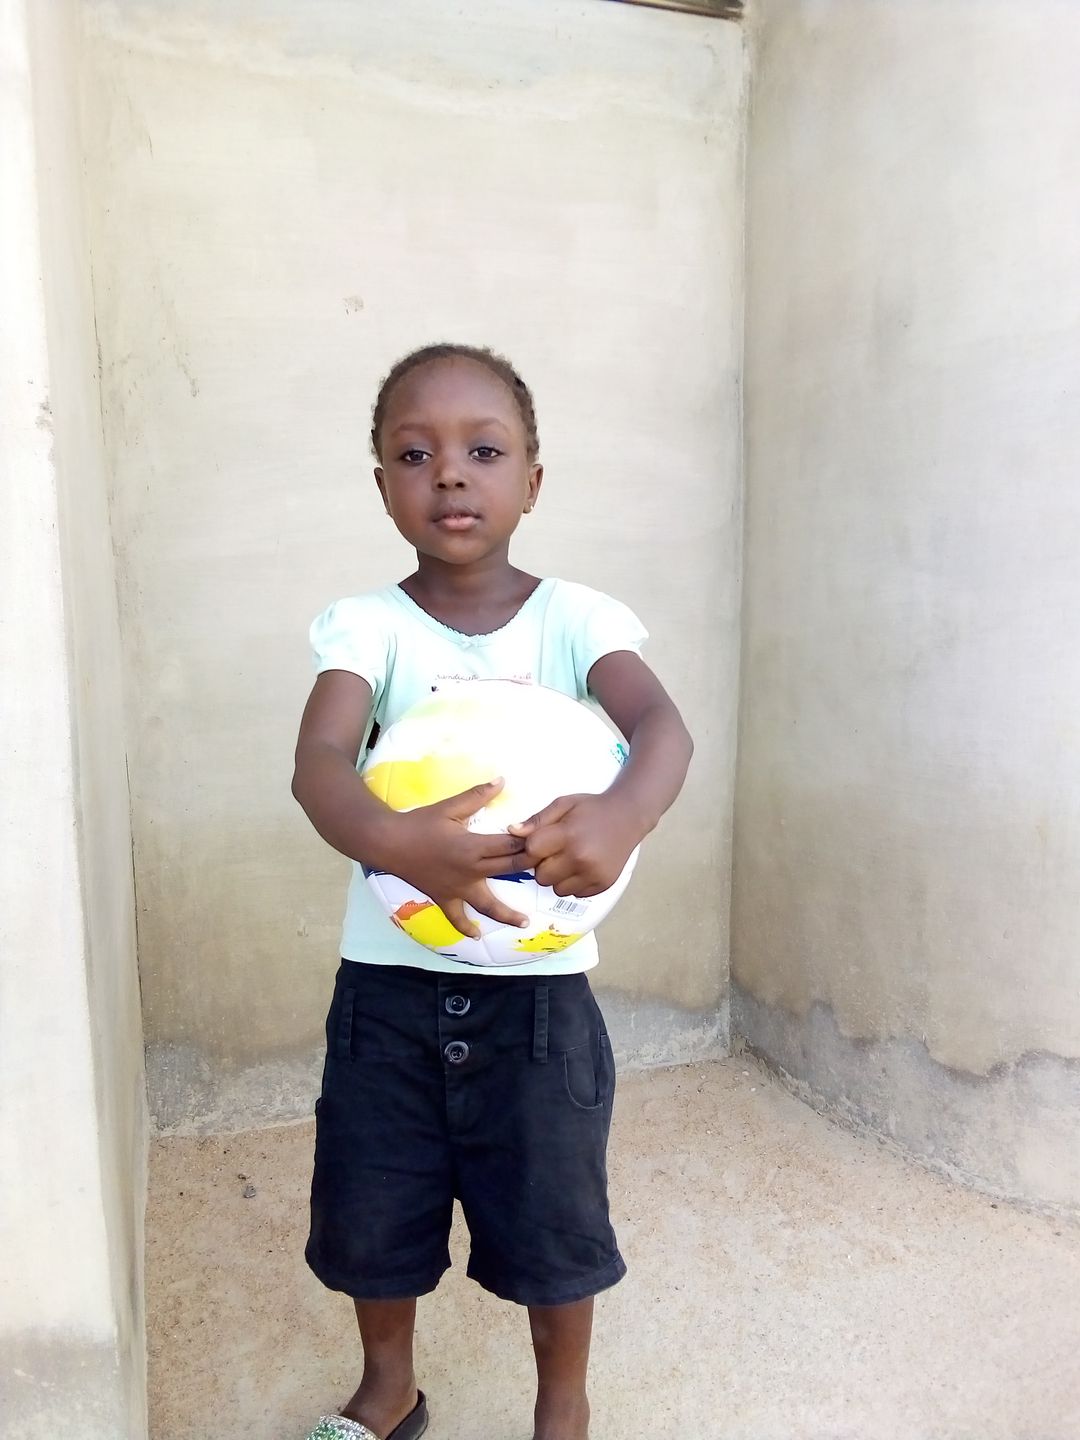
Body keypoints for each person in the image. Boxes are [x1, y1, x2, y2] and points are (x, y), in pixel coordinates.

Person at [292, 343, 693, 1440]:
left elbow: (661, 728)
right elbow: (319, 765)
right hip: (387, 995)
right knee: (375, 1205)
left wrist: (623, 813)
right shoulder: (367, 627)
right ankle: (388, 1390)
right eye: (415, 454)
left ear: (532, 480)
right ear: (384, 485)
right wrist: (394, 842)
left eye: (484, 450)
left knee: (554, 1215)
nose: (451, 475)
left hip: (539, 1005)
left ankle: (563, 1405)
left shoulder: (576, 621)